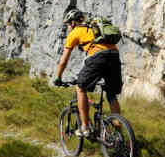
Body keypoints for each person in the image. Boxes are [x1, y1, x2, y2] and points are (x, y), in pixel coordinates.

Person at [52, 8, 123, 137]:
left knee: (80, 87)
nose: (68, 27)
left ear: (73, 23)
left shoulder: (75, 33)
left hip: (98, 57)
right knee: (111, 95)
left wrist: (58, 77)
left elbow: (63, 60)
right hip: (114, 56)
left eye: (68, 24)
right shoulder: (94, 28)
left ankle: (85, 127)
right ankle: (119, 132)